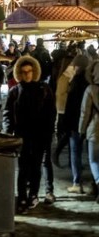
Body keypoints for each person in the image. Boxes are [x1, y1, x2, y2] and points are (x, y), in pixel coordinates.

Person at [3, 55, 57, 213]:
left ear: (34, 72)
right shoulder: (15, 91)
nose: (27, 74)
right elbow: (7, 113)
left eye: (30, 71)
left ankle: (33, 194)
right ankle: (22, 198)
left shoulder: (44, 89)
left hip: (40, 135)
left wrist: (49, 132)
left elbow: (50, 113)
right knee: (23, 168)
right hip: (22, 135)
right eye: (24, 71)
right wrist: (8, 133)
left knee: (36, 167)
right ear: (20, 72)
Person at [57, 54, 90, 193]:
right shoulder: (90, 82)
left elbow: (70, 105)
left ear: (77, 67)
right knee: (89, 153)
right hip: (89, 124)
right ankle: (93, 183)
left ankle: (77, 183)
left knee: (75, 152)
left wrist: (66, 124)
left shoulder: (75, 82)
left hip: (75, 123)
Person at [79, 59, 99, 203]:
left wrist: (81, 130)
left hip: (95, 128)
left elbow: (85, 112)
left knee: (93, 160)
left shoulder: (91, 89)